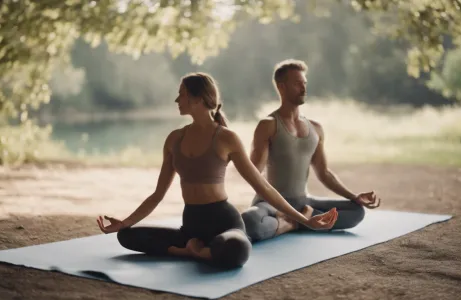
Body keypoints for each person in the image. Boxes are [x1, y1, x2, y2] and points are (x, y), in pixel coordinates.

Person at [96, 72, 338, 269]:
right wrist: (125, 222)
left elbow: (262, 186)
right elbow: (158, 194)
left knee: (236, 249)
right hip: (190, 225)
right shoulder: (174, 139)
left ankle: (195, 251)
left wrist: (305, 220)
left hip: (224, 222)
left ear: (197, 99)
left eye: (181, 94)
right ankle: (191, 251)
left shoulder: (226, 138)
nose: (177, 100)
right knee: (126, 236)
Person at [241, 59, 381, 243]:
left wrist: (354, 196)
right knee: (250, 223)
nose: (304, 88)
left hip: (303, 202)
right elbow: (255, 172)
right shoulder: (268, 125)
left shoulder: (316, 128)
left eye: (304, 83)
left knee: (356, 211)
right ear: (281, 87)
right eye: (297, 84)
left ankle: (295, 221)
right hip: (271, 205)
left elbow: (324, 173)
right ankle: (298, 222)